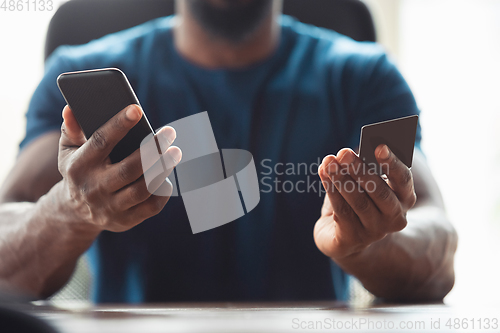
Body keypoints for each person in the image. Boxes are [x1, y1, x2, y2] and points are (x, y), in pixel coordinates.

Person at [0, 0, 457, 303]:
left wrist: (367, 248)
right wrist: (70, 210)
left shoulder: (364, 78)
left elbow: (438, 244)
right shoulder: (81, 74)